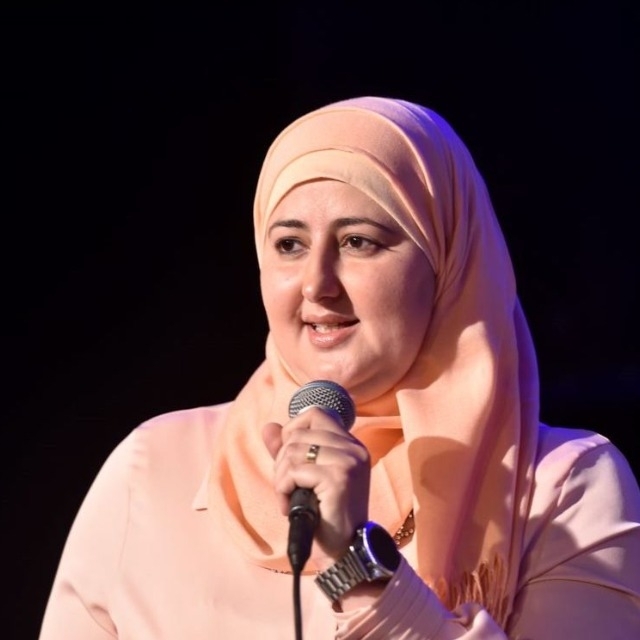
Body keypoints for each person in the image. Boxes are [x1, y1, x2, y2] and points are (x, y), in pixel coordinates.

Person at [39, 96, 640, 639]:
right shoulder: (153, 467)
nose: (317, 284)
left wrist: (360, 567)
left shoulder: (565, 489)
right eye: (289, 245)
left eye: (359, 241)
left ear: (448, 263)